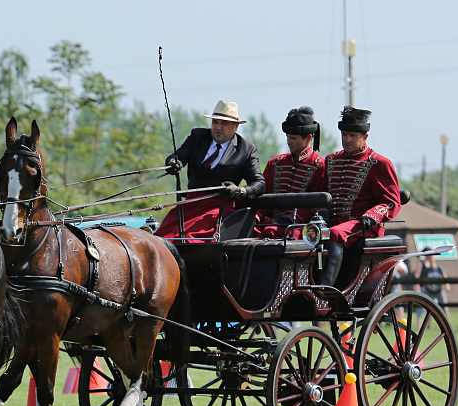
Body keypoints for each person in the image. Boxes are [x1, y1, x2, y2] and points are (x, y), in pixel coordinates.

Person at [155, 100, 265, 240]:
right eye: (215, 122)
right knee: (162, 238)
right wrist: (173, 163)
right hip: (190, 203)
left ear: (236, 126)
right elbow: (178, 156)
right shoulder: (198, 137)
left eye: (224, 123)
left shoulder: (246, 149)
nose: (218, 127)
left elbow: (259, 183)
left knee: (191, 239)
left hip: (219, 207)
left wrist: (238, 190)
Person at [318, 106, 401, 286]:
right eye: (345, 135)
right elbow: (322, 194)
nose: (347, 140)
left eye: (353, 136)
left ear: (365, 137)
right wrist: (322, 211)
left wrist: (372, 216)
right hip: (335, 223)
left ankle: (325, 290)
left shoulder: (379, 163)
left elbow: (391, 200)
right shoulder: (331, 160)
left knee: (335, 233)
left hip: (363, 225)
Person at [257, 106, 327, 238]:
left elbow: (316, 206)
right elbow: (263, 199)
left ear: (309, 138)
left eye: (294, 138)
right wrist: (256, 216)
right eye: (288, 137)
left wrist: (288, 219)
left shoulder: (320, 166)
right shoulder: (275, 163)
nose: (289, 142)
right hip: (267, 225)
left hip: (300, 228)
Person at [415, 248, 450, 315]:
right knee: (429, 308)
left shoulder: (439, 268)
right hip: (430, 291)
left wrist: (447, 285)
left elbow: (444, 277)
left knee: (444, 307)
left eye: (432, 258)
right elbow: (424, 281)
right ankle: (428, 325)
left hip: (439, 290)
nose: (431, 260)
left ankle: (448, 323)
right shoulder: (426, 270)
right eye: (430, 258)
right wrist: (423, 290)